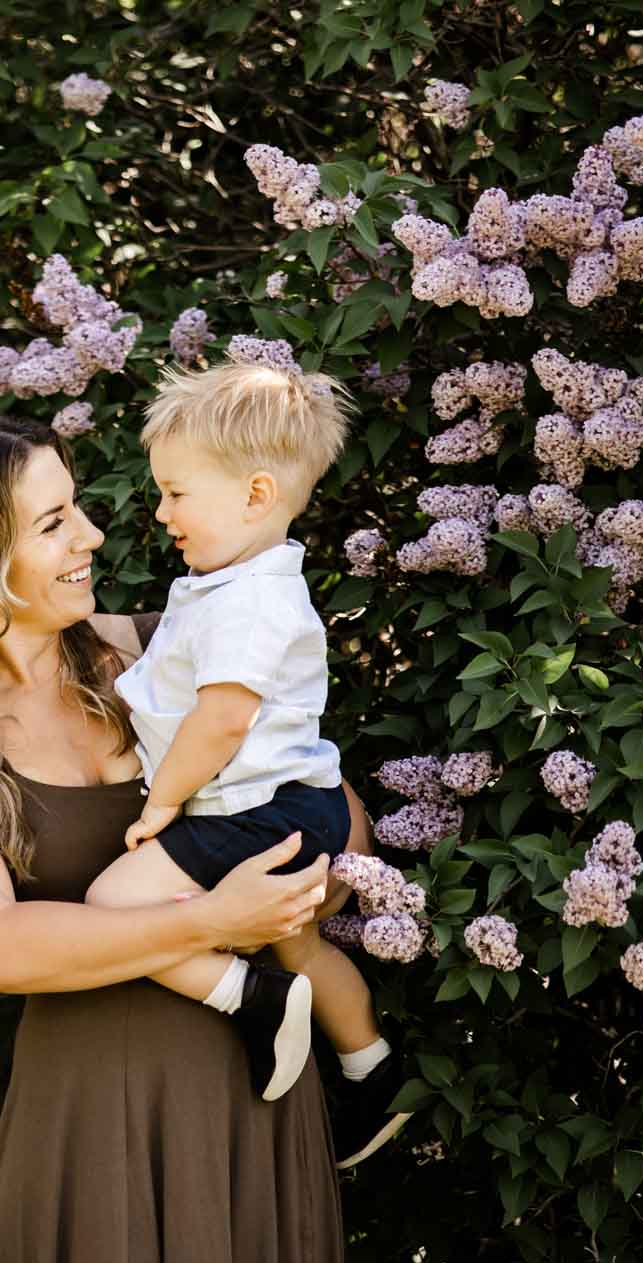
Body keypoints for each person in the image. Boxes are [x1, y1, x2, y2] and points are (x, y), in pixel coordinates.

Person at [0, 408, 362, 1263]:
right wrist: (214, 917)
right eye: (54, 521)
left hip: (255, 1097)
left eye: (77, 509)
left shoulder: (160, 647)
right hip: (96, 1120)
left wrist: (310, 885)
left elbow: (333, 813)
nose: (93, 535)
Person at [84, 360, 409, 1167]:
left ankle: (251, 997)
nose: (162, 512)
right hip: (295, 806)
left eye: (176, 493)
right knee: (306, 945)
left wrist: (163, 801)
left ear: (256, 495)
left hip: (256, 813)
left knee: (110, 904)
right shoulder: (236, 584)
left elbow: (222, 720)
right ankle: (372, 1069)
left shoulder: (248, 603)